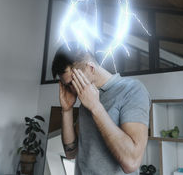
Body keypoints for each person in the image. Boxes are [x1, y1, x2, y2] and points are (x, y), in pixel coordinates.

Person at [52, 43, 151, 175]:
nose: (71, 89)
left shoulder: (132, 90)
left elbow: (131, 162)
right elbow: (71, 153)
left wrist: (96, 107)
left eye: (71, 83)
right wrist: (67, 110)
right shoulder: (86, 99)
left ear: (90, 68)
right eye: (67, 85)